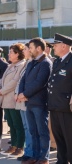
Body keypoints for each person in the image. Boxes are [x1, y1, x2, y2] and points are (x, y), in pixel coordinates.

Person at [18, 38, 52, 164]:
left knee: (42, 131)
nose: (29, 50)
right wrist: (22, 93)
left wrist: (25, 94)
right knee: (33, 131)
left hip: (39, 103)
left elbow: (39, 83)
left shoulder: (46, 63)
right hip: (29, 102)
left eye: (31, 48)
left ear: (38, 48)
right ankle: (35, 156)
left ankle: (44, 158)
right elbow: (23, 79)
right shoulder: (32, 62)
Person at [0, 43, 26, 157]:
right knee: (11, 124)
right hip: (5, 99)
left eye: (11, 52)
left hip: (13, 100)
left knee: (18, 124)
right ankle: (13, 145)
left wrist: (2, 91)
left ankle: (20, 146)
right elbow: (2, 79)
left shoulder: (21, 65)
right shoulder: (10, 65)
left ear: (17, 54)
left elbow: (14, 82)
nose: (8, 54)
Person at [48, 33, 72, 164]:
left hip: (66, 106)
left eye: (55, 45)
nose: (53, 48)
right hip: (54, 104)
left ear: (64, 46)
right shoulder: (57, 61)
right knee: (58, 137)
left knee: (69, 138)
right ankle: (61, 161)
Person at [15, 43, 33, 162]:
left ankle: (31, 153)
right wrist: (17, 94)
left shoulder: (33, 64)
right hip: (20, 99)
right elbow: (20, 81)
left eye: (27, 49)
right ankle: (28, 151)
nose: (25, 51)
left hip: (27, 100)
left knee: (30, 129)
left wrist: (23, 94)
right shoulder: (27, 63)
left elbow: (31, 83)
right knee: (26, 127)